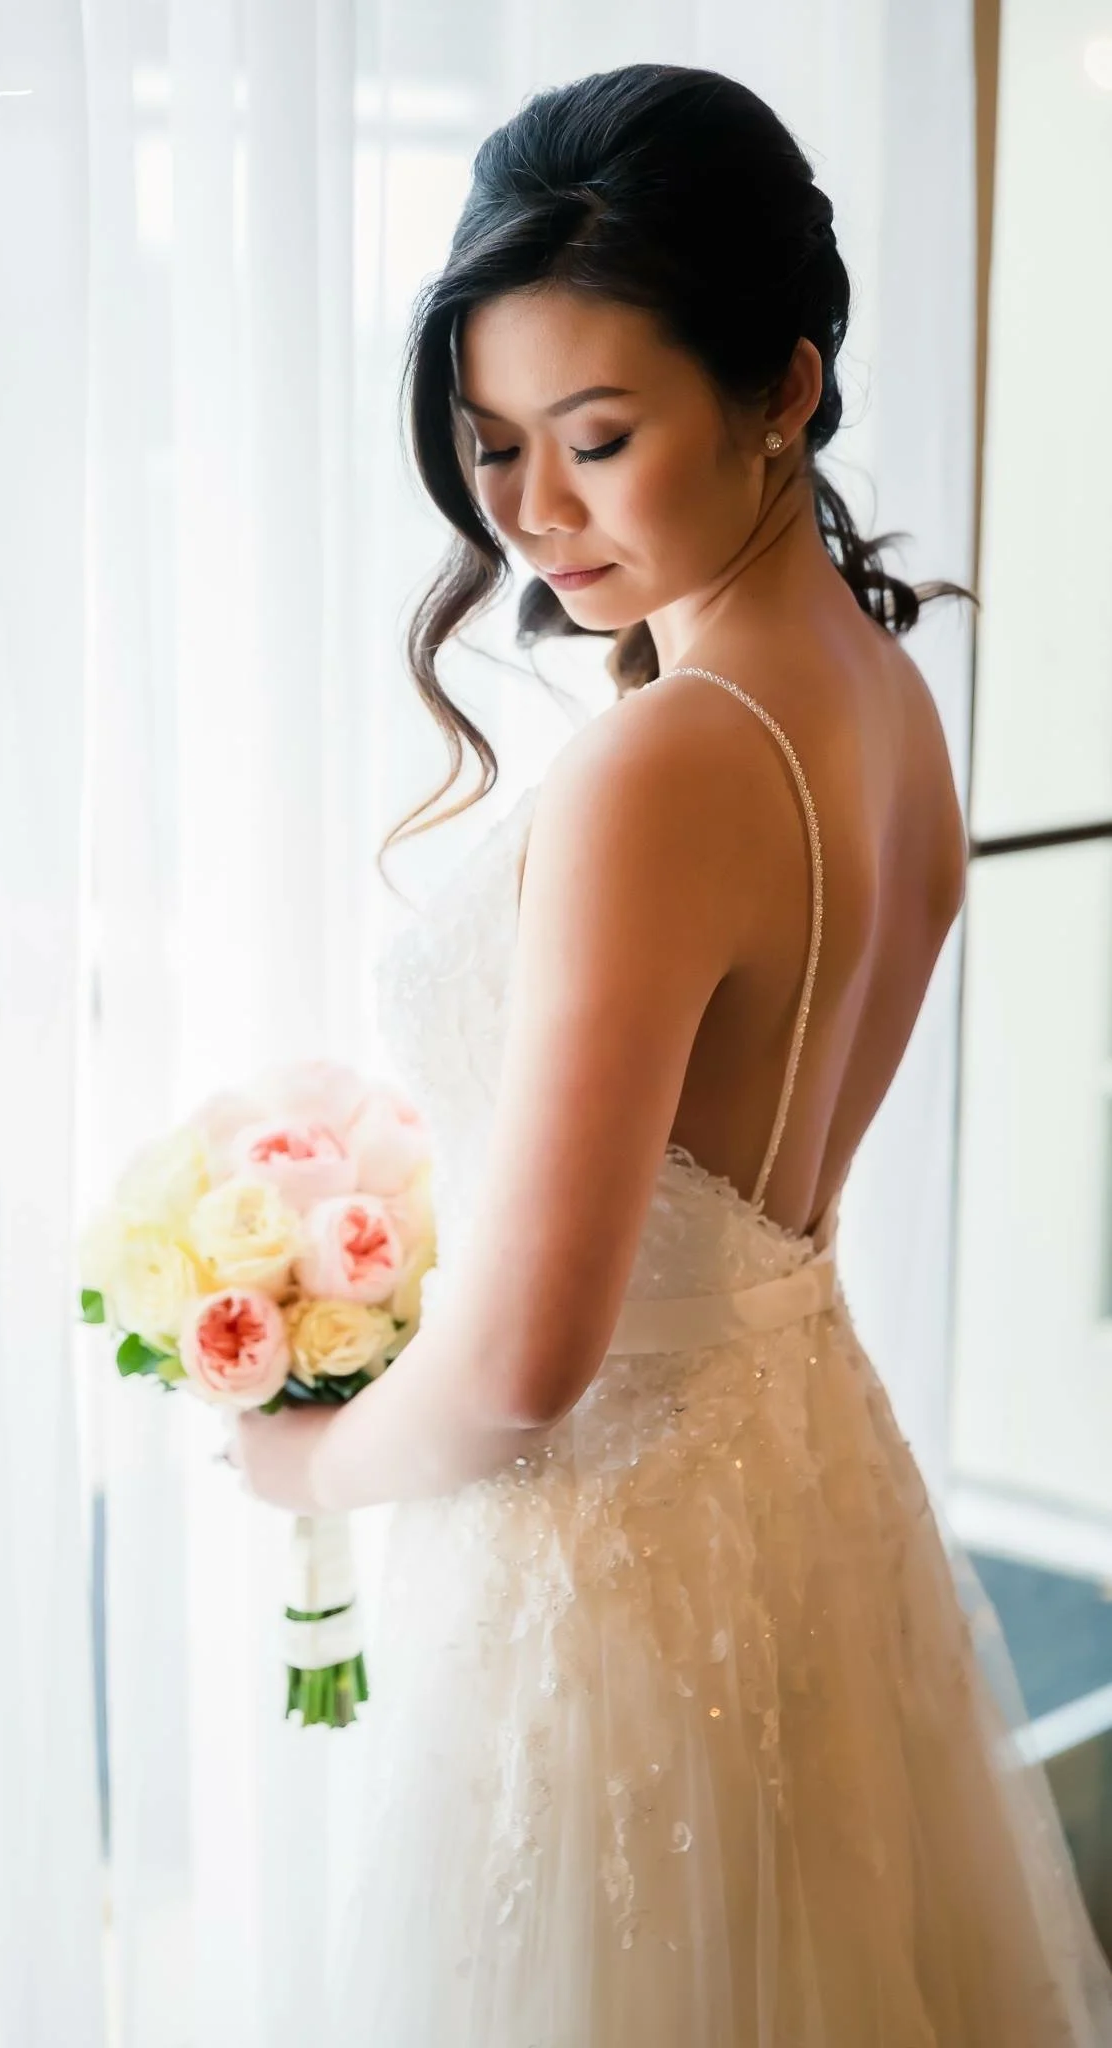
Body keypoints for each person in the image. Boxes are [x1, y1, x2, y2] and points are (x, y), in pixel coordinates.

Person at [231, 62, 1112, 2044]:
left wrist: (307, 1466)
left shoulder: (667, 766)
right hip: (808, 1511)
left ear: (783, 386)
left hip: (616, 1585)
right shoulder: (887, 706)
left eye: (599, 437)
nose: (529, 514)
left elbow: (537, 1360)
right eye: (493, 443)